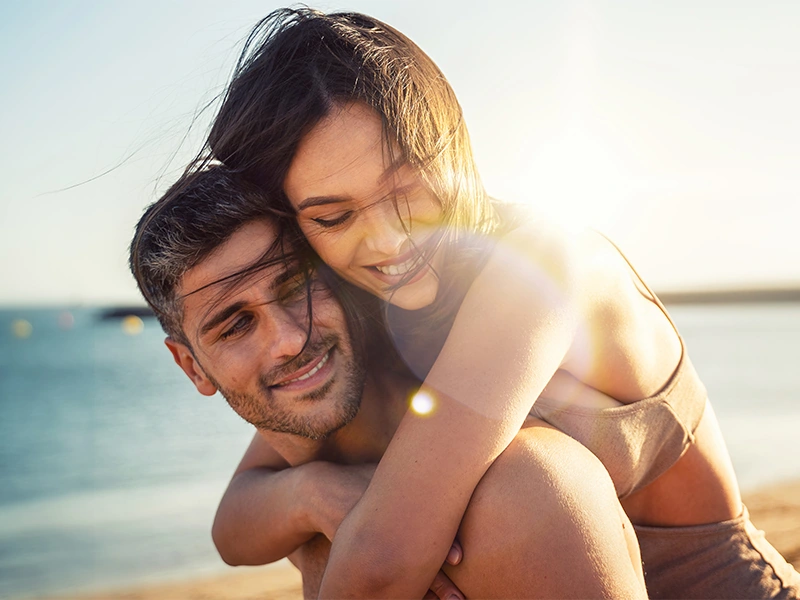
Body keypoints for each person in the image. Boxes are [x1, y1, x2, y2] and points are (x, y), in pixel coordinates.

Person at [201, 7, 800, 599]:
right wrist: (315, 494)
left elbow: (385, 559)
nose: (388, 240)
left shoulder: (543, 263)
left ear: (451, 146)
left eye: (405, 185)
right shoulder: (370, 307)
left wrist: (368, 517)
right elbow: (235, 525)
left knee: (504, 486)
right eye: (334, 216)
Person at [128, 166, 647, 599]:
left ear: (336, 278)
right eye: (236, 325)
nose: (287, 340)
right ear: (192, 367)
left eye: (296, 287)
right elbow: (231, 534)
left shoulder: (522, 484)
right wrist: (313, 496)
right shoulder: (313, 455)